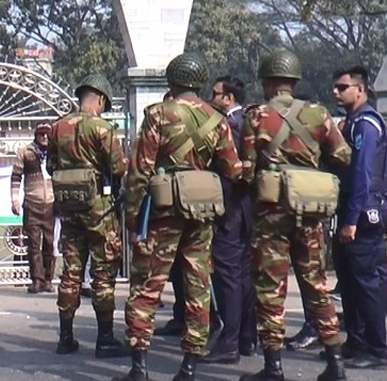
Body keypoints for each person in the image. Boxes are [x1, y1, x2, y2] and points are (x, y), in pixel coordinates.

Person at [115, 53, 242, 381]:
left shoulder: (159, 114)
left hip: (163, 214)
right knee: (198, 286)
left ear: (171, 81)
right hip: (202, 214)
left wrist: (131, 217)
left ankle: (139, 368)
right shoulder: (217, 119)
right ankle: (189, 368)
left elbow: (140, 171)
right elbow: (232, 169)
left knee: (147, 286)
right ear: (199, 83)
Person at [238, 49, 351, 381]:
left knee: (270, 290)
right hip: (310, 214)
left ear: (269, 83)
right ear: (294, 81)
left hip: (270, 217)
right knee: (317, 287)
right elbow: (343, 156)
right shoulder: (318, 114)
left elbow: (245, 172)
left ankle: (273, 368)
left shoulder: (257, 116)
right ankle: (336, 365)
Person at [49, 74, 128, 358]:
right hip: (100, 211)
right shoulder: (102, 129)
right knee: (103, 275)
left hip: (70, 210)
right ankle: (105, 339)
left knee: (70, 273)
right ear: (101, 99)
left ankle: (65, 337)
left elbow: (51, 166)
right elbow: (118, 168)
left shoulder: (58, 127)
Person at [330, 65, 387, 369]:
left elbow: (364, 176)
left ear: (360, 89)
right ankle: (357, 340)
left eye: (342, 87)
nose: (335, 92)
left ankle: (377, 347)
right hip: (348, 211)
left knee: (367, 283)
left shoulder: (366, 124)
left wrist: (352, 219)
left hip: (363, 214)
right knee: (349, 281)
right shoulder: (351, 123)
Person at [202, 75, 258, 364]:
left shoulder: (231, 125)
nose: (212, 98)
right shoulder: (244, 122)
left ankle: (230, 341)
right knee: (243, 275)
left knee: (228, 276)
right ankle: (246, 337)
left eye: (216, 93)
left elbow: (232, 170)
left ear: (229, 98)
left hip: (231, 208)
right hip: (244, 209)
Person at [11, 121, 56, 294]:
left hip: (51, 204)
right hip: (32, 202)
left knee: (50, 244)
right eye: (41, 134)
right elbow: (16, 176)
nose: (44, 137)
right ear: (36, 135)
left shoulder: (55, 153)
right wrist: (14, 199)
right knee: (33, 244)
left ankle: (48, 279)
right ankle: (36, 280)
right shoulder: (26, 152)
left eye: (47, 134)